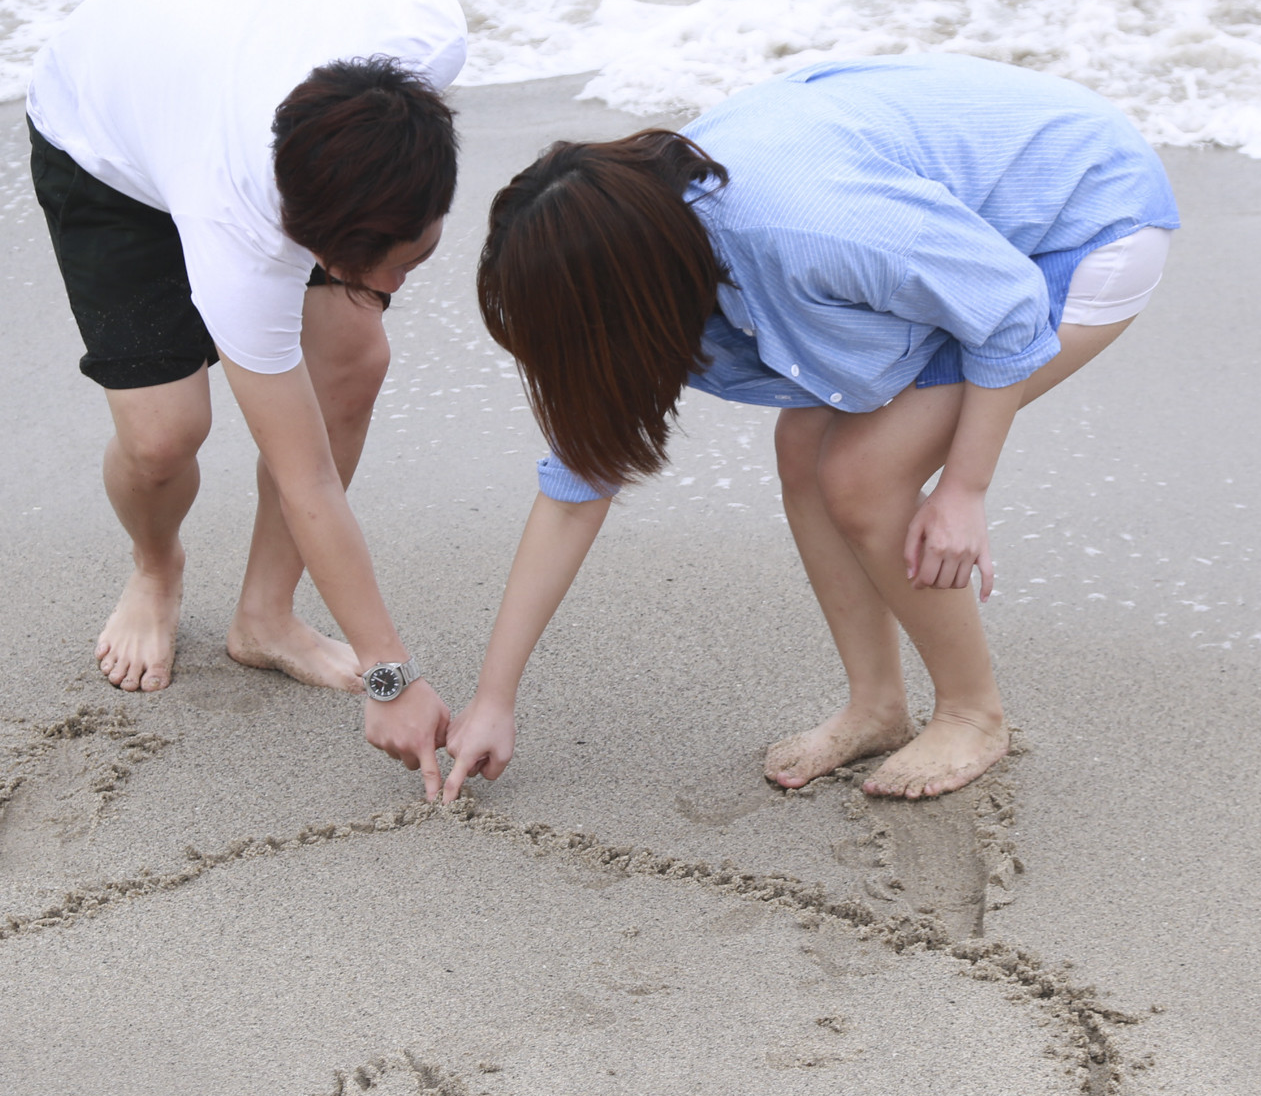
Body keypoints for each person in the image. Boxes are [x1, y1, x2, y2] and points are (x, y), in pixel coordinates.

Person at [441, 53, 1179, 802]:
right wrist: (494, 698)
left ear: (631, 300)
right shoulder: (647, 242)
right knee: (803, 447)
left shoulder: (800, 227)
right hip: (959, 236)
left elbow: (1007, 306)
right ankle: (876, 706)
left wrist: (963, 488)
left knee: (865, 474)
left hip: (1080, 221)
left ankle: (971, 712)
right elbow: (575, 488)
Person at [25, 0, 462, 780]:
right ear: (307, 243)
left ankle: (265, 617)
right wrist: (391, 678)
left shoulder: (421, 30)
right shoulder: (242, 232)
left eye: (420, 255)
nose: (399, 288)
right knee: (163, 435)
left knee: (353, 356)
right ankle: (155, 567)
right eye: (382, 273)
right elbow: (306, 476)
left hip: (235, 81)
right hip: (104, 135)